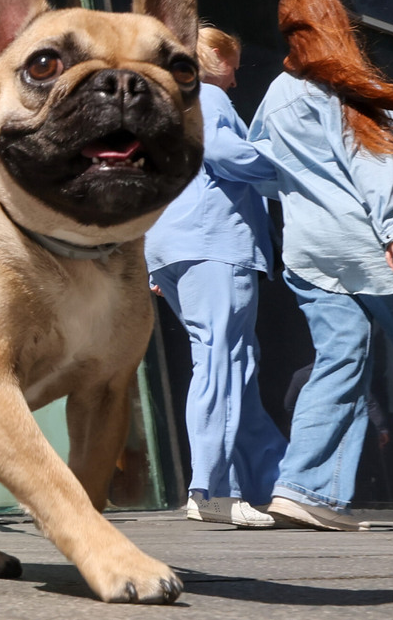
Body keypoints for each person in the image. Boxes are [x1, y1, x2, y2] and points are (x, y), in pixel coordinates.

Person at [249, 0, 393, 530]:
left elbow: (260, 168)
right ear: (339, 23)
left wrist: (300, 190)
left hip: (310, 250)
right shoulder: (352, 85)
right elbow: (375, 160)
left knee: (338, 359)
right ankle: (307, 489)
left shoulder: (276, 94)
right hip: (371, 244)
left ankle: (303, 488)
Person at [144, 27, 287, 528]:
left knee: (234, 364)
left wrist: (150, 264)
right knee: (222, 361)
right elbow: (228, 155)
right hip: (214, 244)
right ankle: (211, 491)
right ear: (217, 60)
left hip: (172, 248)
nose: (237, 75)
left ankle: (270, 481)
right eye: (236, 63)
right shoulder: (207, 95)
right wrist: (291, 166)